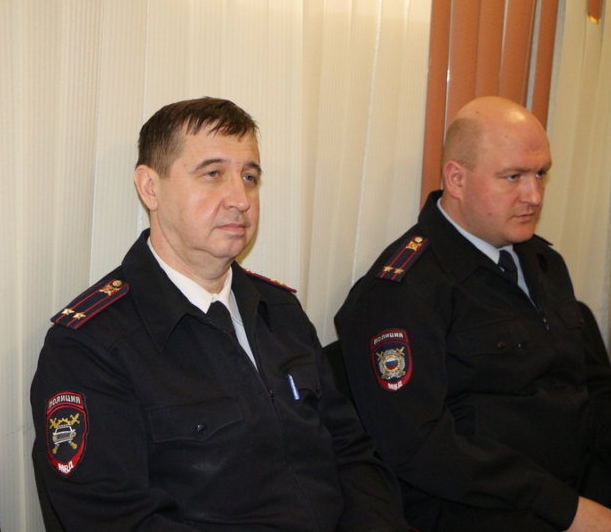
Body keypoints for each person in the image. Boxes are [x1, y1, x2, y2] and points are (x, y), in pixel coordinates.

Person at [31, 97, 406, 531]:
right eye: (213, 174)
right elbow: (117, 520)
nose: (240, 199)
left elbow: (352, 454)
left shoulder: (280, 312)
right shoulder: (90, 346)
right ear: (150, 187)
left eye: (250, 177)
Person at [334, 96, 611, 532]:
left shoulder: (542, 262)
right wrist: (566, 508)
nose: (534, 195)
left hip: (578, 477)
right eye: (513, 176)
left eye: (540, 174)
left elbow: (588, 378)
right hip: (485, 504)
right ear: (456, 179)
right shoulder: (402, 291)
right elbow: (417, 445)